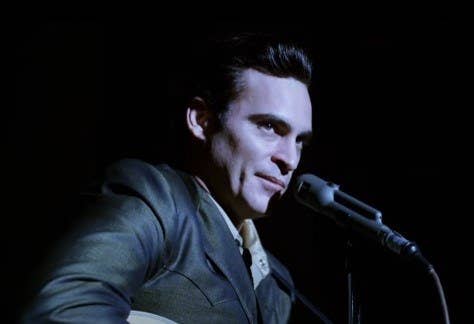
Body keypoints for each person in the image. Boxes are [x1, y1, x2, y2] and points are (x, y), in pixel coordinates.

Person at [22, 32, 314, 323]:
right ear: (201, 121)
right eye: (269, 127)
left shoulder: (277, 284)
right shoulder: (156, 199)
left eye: (300, 141)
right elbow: (62, 312)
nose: (289, 159)